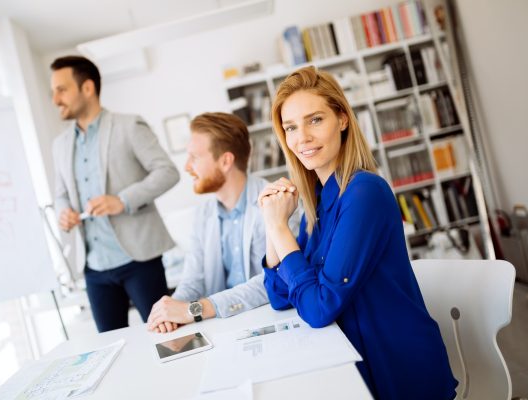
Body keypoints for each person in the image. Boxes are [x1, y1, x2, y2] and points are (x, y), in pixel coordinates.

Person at [257, 66, 457, 400]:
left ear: (342, 119)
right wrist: (271, 223)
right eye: (291, 127)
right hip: (356, 362)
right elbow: (279, 295)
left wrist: (280, 227)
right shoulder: (320, 203)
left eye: (315, 120)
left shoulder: (364, 193)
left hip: (399, 373)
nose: (302, 137)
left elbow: (319, 308)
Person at [50, 55, 179, 333]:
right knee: (111, 350)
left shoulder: (128, 126)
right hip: (94, 269)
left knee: (167, 338)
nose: (55, 99)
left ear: (87, 88)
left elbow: (167, 171)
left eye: (61, 90)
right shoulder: (59, 146)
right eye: (53, 92)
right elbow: (60, 194)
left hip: (140, 260)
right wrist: (64, 212)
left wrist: (122, 200)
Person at [146, 112, 268, 333]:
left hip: (265, 321)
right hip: (224, 328)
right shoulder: (203, 214)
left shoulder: (271, 202)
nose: (186, 166)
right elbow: (194, 279)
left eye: (195, 157)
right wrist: (171, 310)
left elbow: (272, 283)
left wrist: (195, 309)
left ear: (225, 161)